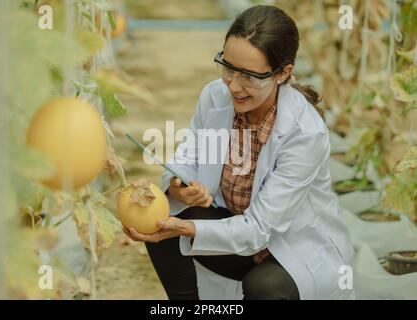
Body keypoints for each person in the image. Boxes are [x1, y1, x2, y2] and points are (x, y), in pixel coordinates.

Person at [123, 5, 354, 300]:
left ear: (283, 73)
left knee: (265, 288)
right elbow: (188, 158)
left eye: (249, 76)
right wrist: (179, 185)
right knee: (159, 218)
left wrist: (190, 227)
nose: (234, 85)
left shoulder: (304, 134)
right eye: (228, 67)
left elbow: (259, 229)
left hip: (288, 250)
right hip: (237, 233)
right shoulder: (214, 97)